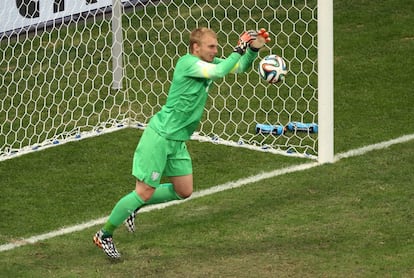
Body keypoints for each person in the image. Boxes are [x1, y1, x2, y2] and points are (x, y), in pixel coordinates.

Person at [93, 27, 270, 258]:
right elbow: (219, 72)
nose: (215, 50)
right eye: (211, 47)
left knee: (183, 190)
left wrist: (253, 51)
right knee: (144, 191)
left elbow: (236, 67)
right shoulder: (187, 64)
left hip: (177, 140)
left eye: (216, 46)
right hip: (160, 137)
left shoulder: (208, 62)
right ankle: (104, 234)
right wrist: (239, 48)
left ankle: (133, 206)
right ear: (196, 47)